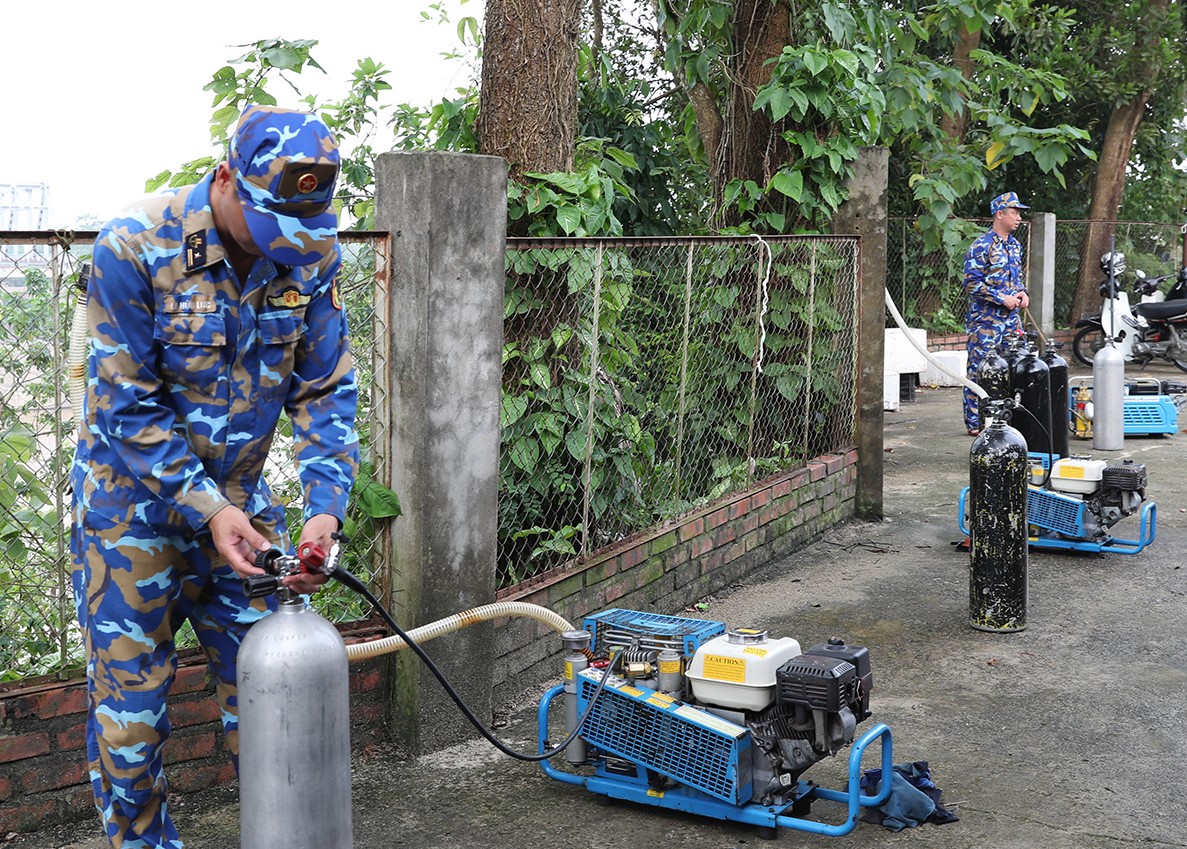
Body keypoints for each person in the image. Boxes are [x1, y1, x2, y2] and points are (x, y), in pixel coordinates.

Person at [70, 105, 360, 849]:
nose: (282, 249)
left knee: (274, 699)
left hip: (242, 519)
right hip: (130, 519)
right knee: (131, 727)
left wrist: (325, 512)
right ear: (226, 178)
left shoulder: (310, 257)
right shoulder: (134, 246)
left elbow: (324, 389)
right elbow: (124, 406)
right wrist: (205, 506)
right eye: (268, 226)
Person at [962, 191, 1030, 436]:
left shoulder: (1014, 245)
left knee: (1014, 366)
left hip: (1011, 320)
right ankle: (975, 423)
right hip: (985, 320)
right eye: (1014, 212)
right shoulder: (982, 245)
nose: (1019, 218)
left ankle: (1006, 417)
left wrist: (1022, 294)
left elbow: (1016, 279)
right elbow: (971, 283)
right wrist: (1002, 298)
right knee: (980, 369)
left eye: (1019, 213)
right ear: (999, 214)